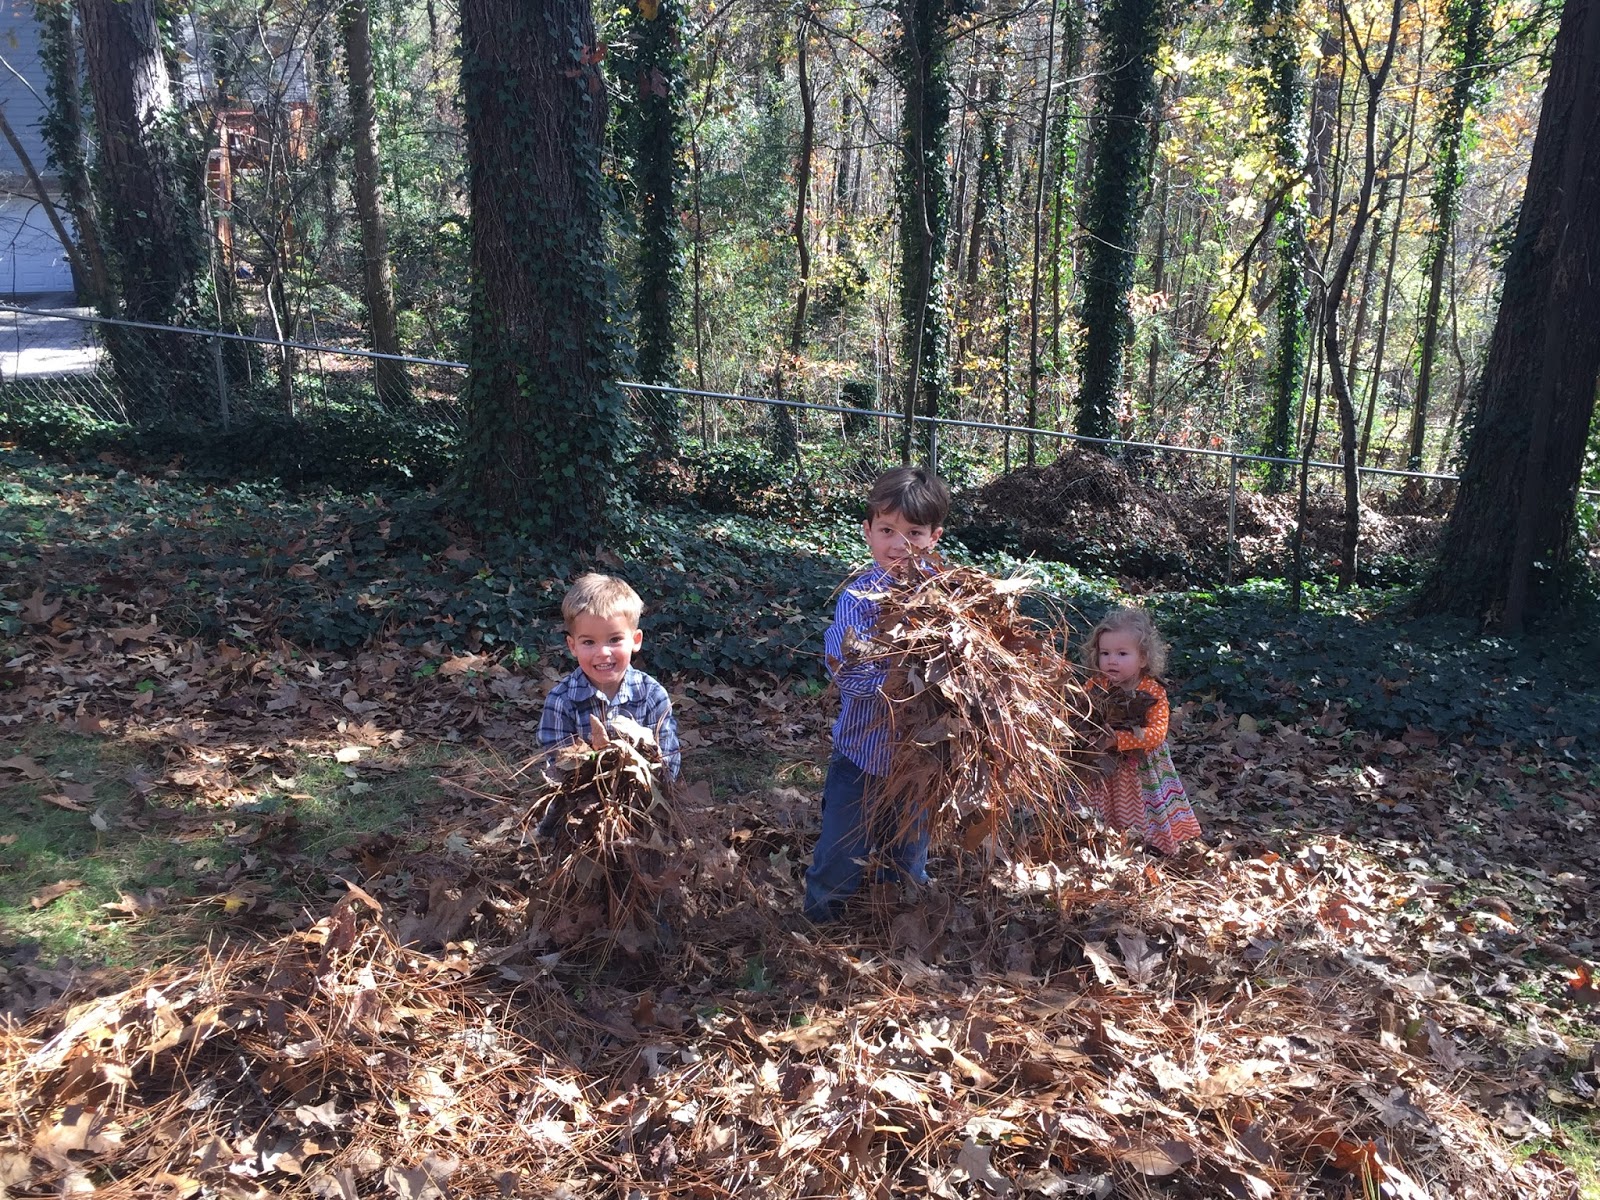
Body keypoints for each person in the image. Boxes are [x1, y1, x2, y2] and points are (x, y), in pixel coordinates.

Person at [803, 466, 950, 921]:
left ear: (934, 538)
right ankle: (820, 925)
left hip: (919, 761)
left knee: (908, 855)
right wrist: (903, 676)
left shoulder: (948, 598)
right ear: (867, 531)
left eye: (914, 533)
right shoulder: (858, 600)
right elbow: (848, 673)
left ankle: (898, 926)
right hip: (861, 757)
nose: (899, 544)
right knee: (840, 852)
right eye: (887, 530)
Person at [1079, 605, 1202, 855]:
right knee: (1102, 802)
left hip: (1141, 766)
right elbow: (1080, 712)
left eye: (1122, 653)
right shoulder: (1095, 685)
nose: (1112, 660)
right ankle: (1102, 840)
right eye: (1105, 653)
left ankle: (1148, 844)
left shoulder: (1152, 691)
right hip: (1103, 762)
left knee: (1141, 806)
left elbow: (1157, 732)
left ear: (1143, 658)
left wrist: (1119, 739)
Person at [538, 573, 681, 780]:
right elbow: (557, 767)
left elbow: (667, 762)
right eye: (589, 642)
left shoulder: (652, 695)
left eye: (614, 639)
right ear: (572, 646)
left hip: (643, 793)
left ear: (635, 640)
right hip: (582, 795)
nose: (603, 652)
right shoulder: (560, 701)